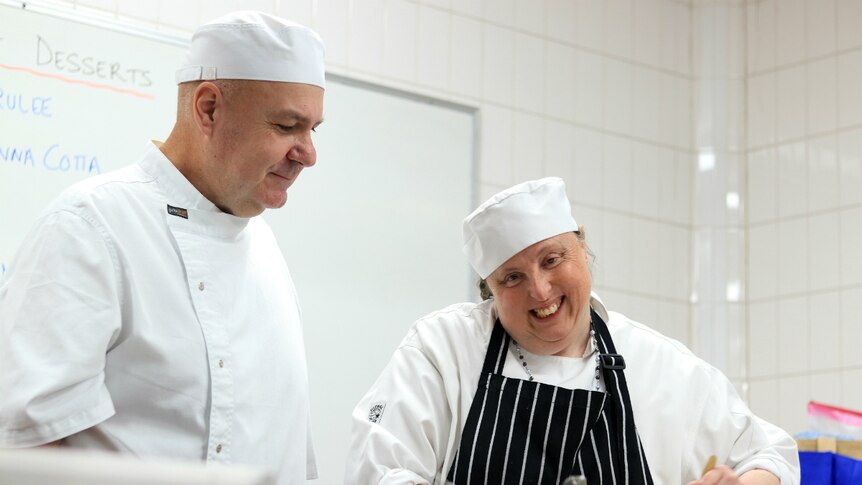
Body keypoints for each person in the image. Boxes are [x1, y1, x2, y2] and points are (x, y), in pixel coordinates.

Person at [0, 11, 324, 484]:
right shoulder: (89, 227)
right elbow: (30, 446)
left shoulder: (267, 255)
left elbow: (292, 450)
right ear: (208, 108)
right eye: (286, 126)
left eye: (314, 129)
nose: (309, 154)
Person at [344, 177, 800, 484]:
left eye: (551, 260)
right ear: (489, 291)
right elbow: (381, 469)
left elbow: (772, 454)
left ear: (581, 244)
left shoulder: (657, 364)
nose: (540, 292)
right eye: (512, 278)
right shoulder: (443, 350)